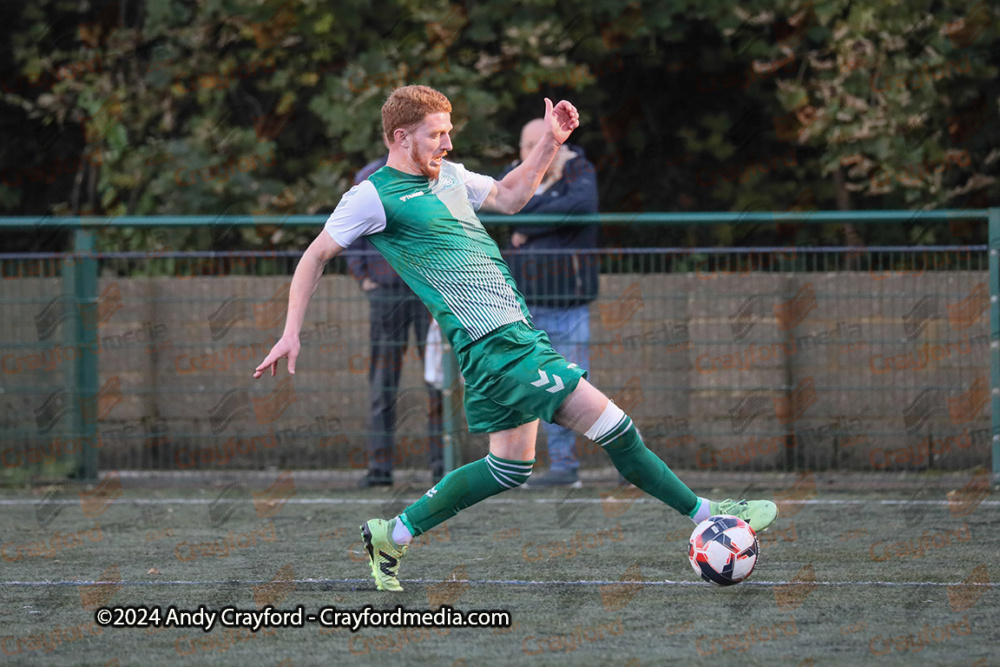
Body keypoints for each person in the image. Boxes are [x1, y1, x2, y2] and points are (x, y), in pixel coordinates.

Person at [254, 85, 777, 592]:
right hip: (497, 345)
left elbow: (510, 196)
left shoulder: (450, 176)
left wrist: (550, 141)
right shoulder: (372, 194)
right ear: (399, 136)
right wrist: (290, 333)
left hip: (504, 339)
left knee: (509, 467)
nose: (448, 144)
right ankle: (711, 513)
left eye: (449, 132)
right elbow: (315, 255)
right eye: (436, 134)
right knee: (615, 426)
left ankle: (392, 534)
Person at [501, 118, 599, 487]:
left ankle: (570, 464)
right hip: (520, 308)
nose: (533, 153)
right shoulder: (513, 172)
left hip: (569, 304)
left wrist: (531, 215)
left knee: (571, 386)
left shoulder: (579, 167)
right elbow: (505, 208)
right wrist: (549, 206)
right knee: (529, 386)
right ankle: (527, 466)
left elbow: (580, 205)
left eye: (540, 144)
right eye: (527, 146)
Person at [348, 152, 443, 487]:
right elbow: (351, 226)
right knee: (382, 381)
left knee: (437, 378)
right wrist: (363, 277)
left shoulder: (437, 175)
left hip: (428, 293)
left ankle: (442, 467)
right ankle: (380, 468)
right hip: (386, 294)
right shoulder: (370, 177)